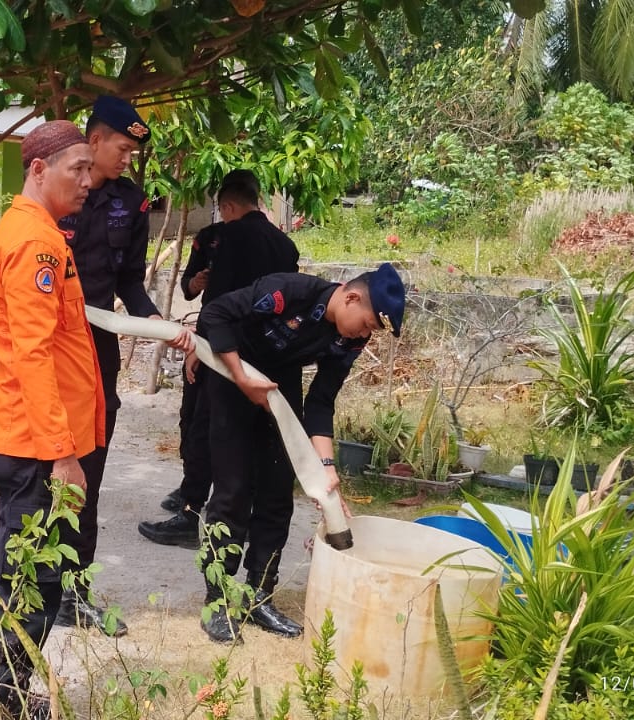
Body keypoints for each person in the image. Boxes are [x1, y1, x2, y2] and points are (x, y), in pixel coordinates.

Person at [193, 265, 405, 643]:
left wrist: (325, 466)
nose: (366, 334)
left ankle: (259, 596)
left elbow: (322, 400)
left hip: (279, 385)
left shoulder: (349, 340)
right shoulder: (290, 291)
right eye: (369, 324)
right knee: (233, 490)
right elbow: (216, 313)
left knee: (278, 492)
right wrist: (242, 377)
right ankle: (219, 600)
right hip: (232, 374)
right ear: (351, 297)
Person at [0, 120, 105, 720]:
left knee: (28, 566)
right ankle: (1, 700)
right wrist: (62, 453)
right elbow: (32, 353)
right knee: (31, 572)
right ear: (38, 170)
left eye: (89, 168)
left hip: (38, 435)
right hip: (37, 444)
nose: (89, 179)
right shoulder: (35, 244)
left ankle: (5, 688)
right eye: (76, 168)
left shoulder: (42, 233)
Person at [54, 95, 194, 636]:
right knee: (42, 468)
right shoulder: (56, 187)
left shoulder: (131, 203)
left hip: (97, 349)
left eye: (134, 151)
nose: (128, 159)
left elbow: (130, 282)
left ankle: (73, 589)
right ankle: (34, 586)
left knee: (89, 471)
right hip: (49, 345)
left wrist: (161, 325)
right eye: (122, 147)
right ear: (93, 139)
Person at [139, 170, 301, 548]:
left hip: (224, 350)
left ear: (228, 206)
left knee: (202, 427)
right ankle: (232, 515)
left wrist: (201, 348)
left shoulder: (230, 237)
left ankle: (192, 512)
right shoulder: (285, 245)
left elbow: (220, 303)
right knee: (243, 437)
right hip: (265, 356)